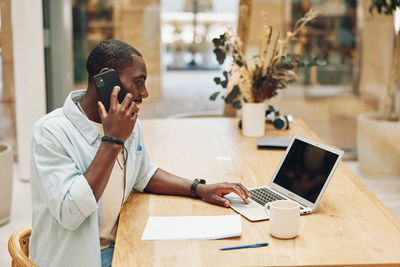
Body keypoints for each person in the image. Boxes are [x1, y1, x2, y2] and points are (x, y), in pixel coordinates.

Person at [29, 39, 250, 267]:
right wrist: (113, 140)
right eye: (138, 82)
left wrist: (199, 189)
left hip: (120, 244)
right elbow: (70, 213)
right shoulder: (50, 133)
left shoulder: (127, 122)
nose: (144, 93)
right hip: (76, 259)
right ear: (106, 78)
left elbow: (144, 174)